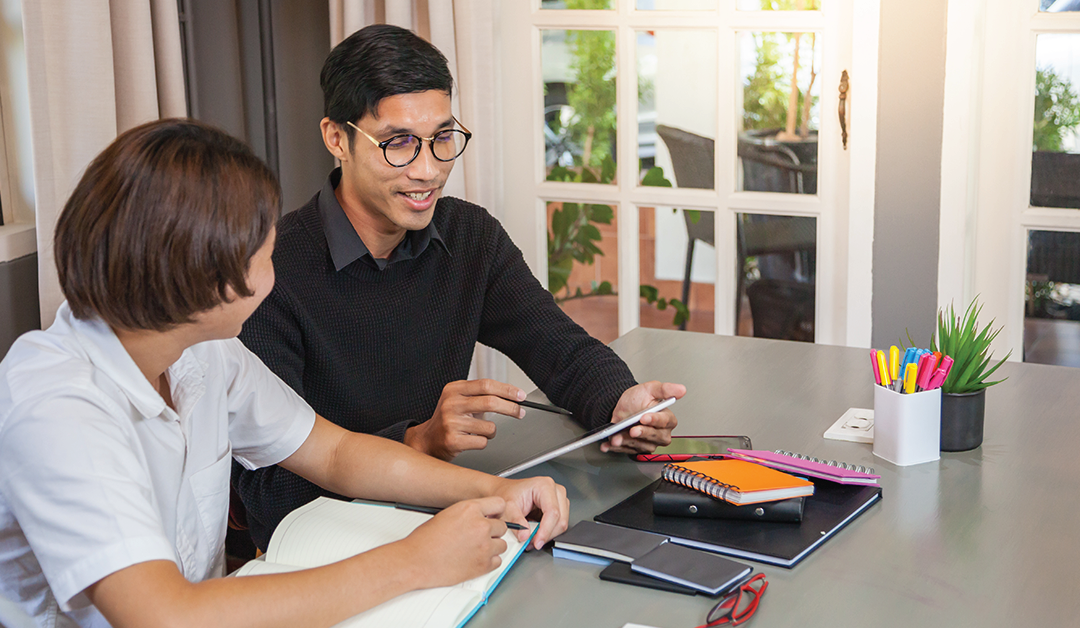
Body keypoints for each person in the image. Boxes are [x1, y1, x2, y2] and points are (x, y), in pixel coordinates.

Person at [0, 119, 569, 628]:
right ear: (211, 279)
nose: (278, 265)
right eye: (266, 254)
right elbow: (164, 615)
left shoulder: (199, 349)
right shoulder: (58, 407)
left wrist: (497, 490)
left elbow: (334, 453)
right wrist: (413, 562)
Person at [235, 23, 685, 550]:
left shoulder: (468, 237)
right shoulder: (271, 272)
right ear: (337, 138)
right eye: (398, 143)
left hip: (445, 521)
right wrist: (415, 440)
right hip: (323, 550)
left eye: (443, 139)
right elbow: (264, 491)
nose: (427, 170)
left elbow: (557, 347)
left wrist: (620, 403)